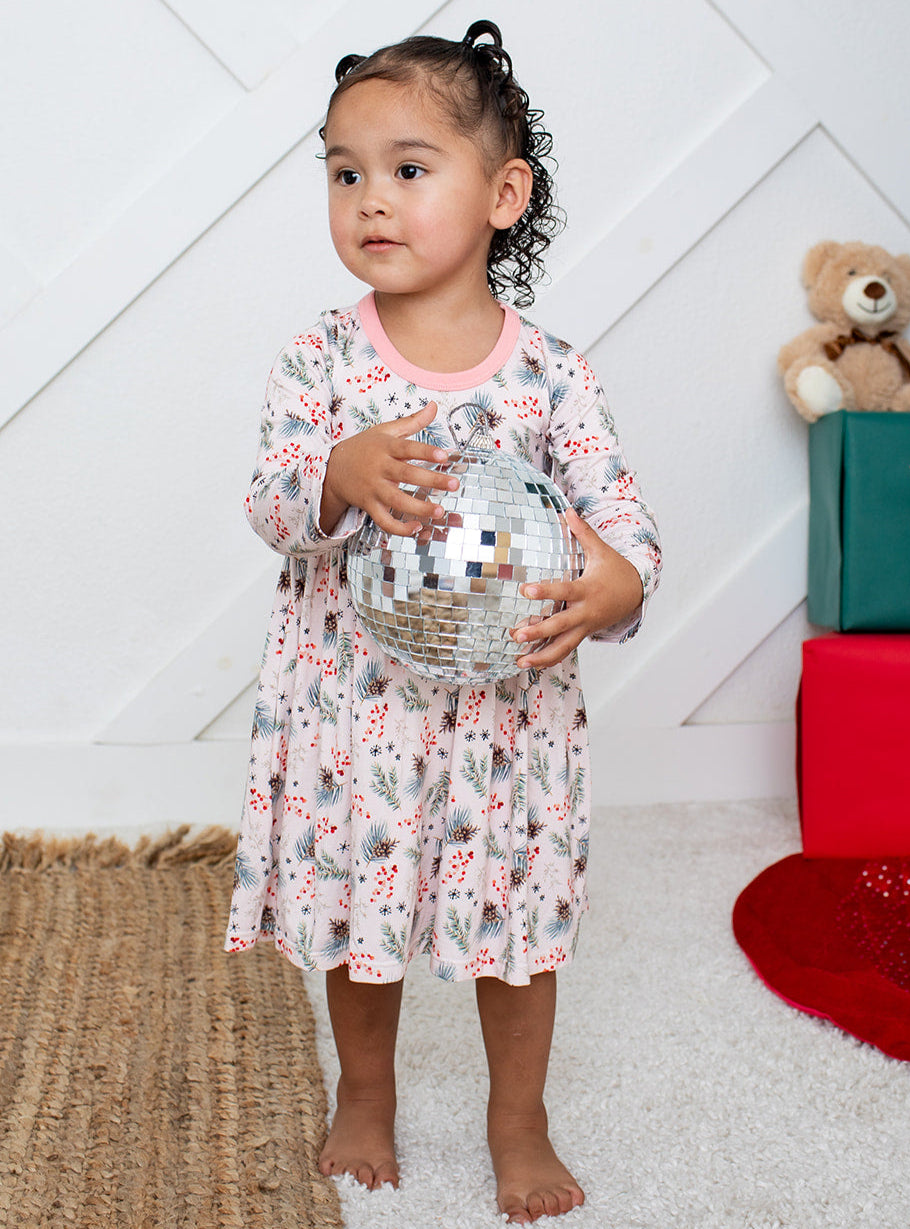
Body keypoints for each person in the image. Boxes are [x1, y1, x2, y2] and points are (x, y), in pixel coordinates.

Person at [225, 19, 661, 1225]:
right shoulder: (321, 360)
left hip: (504, 726)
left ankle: (515, 1115)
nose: (370, 197)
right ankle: (363, 1088)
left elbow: (620, 523)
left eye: (408, 168)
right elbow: (268, 503)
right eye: (344, 171)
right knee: (357, 910)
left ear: (501, 195)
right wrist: (335, 472)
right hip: (355, 713)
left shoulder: (553, 375)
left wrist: (618, 584)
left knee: (512, 925)